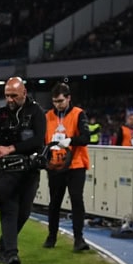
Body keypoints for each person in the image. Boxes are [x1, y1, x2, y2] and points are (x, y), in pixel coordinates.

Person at [0, 77, 46, 264]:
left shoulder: (36, 112)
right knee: (9, 210)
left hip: (29, 171)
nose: (10, 99)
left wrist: (11, 148)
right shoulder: (0, 115)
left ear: (24, 93)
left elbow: (39, 141)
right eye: (7, 96)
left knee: (24, 212)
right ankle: (11, 254)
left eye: (14, 95)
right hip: (5, 172)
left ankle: (2, 247)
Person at [42, 83, 91, 252]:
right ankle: (51, 236)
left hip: (76, 164)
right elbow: (43, 139)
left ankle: (79, 239)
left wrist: (70, 140)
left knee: (76, 200)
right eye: (55, 101)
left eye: (61, 101)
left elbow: (86, 137)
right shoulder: (47, 116)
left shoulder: (78, 114)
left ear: (68, 98)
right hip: (55, 165)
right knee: (54, 202)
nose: (58, 104)